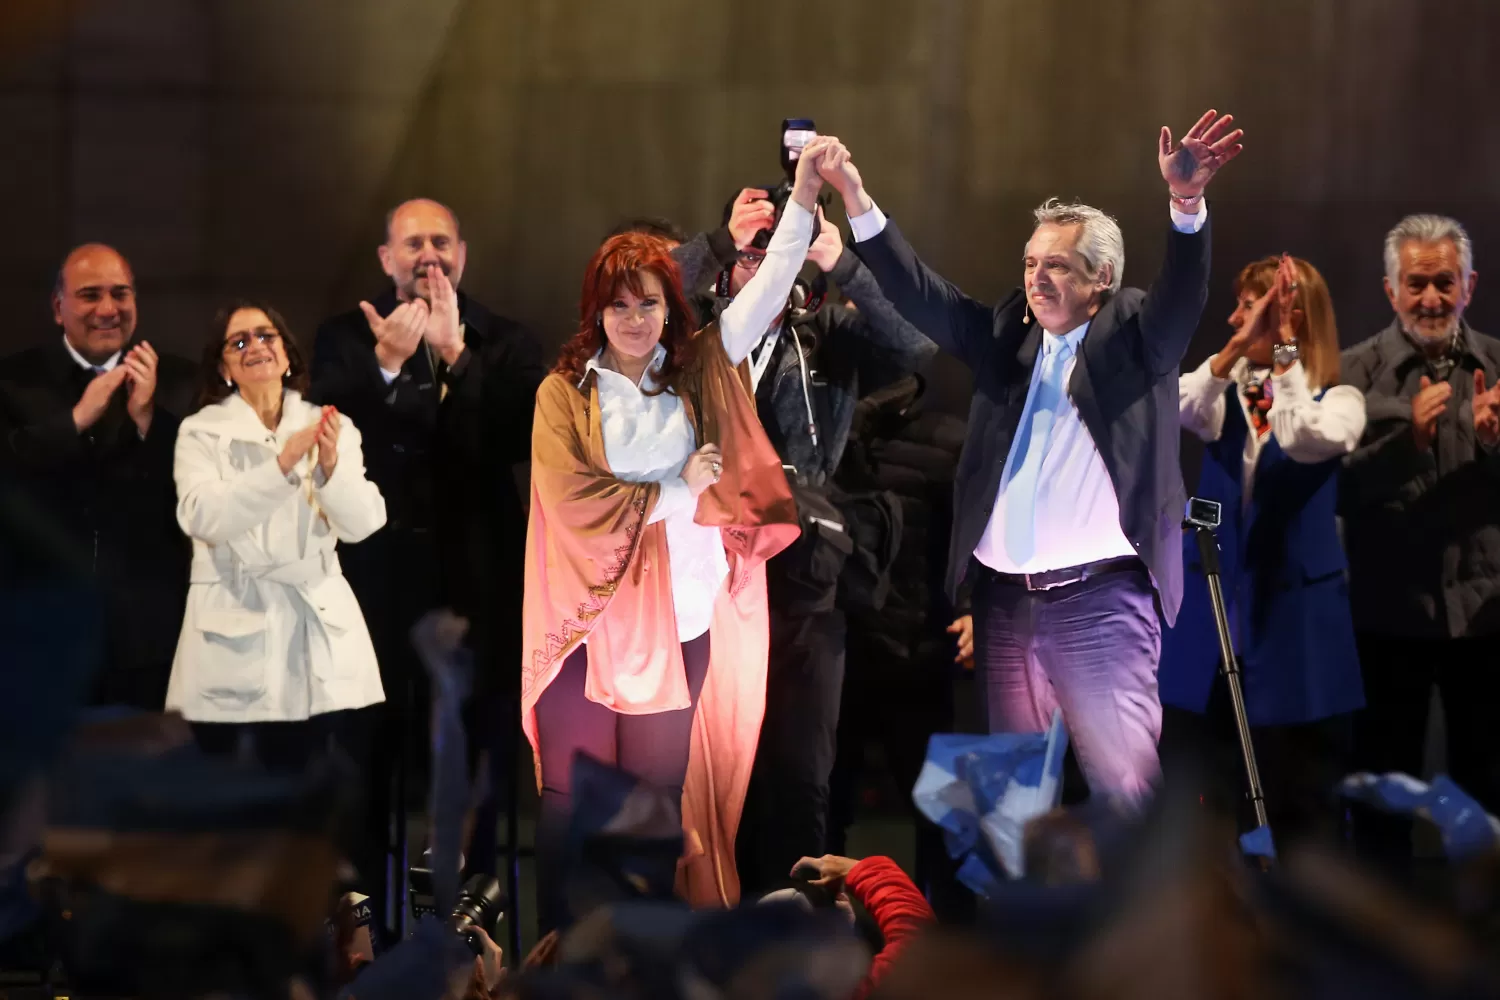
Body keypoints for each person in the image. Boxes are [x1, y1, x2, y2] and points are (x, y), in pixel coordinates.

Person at [829, 110, 1245, 806]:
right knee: (1015, 801)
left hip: (1101, 603)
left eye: (1057, 265)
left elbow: (1185, 291)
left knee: (1125, 793)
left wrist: (1186, 204)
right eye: (1030, 262)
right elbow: (921, 294)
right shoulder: (1007, 337)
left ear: (1101, 277)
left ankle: (1145, 918)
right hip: (1004, 607)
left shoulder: (1136, 336)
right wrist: (854, 199)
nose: (1037, 277)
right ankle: (1021, 918)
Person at [521, 136, 846, 932]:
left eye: (649, 302)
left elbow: (772, 284)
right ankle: (562, 963)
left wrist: (802, 194)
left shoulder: (699, 368)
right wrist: (677, 489)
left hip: (684, 621)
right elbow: (571, 501)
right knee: (571, 801)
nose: (635, 320)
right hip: (590, 626)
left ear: (673, 304)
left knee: (655, 805)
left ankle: (646, 965)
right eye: (619, 304)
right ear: (595, 309)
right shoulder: (566, 394)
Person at [671, 187, 936, 895]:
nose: (763, 262)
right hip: (704, 580)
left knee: (798, 774)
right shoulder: (689, 335)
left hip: (802, 584)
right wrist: (721, 240)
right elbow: (633, 293)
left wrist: (834, 256)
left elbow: (917, 347)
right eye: (752, 252)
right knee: (713, 771)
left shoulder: (827, 335)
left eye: (777, 252)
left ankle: (790, 941)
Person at [311, 198, 547, 934]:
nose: (429, 255)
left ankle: (467, 933)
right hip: (374, 586)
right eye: (413, 243)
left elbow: (516, 436)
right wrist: (386, 366)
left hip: (475, 585)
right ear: (386, 258)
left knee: (474, 762)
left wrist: (454, 357)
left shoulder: (505, 340)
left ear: (463, 253)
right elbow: (329, 434)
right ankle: (360, 931)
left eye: (441, 241)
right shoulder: (344, 337)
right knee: (363, 757)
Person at [1161, 254, 1366, 848]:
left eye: (1248, 308)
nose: (1234, 319)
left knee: (1300, 792)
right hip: (1218, 619)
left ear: (1291, 317)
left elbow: (1303, 436)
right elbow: (1173, 408)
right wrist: (1231, 354)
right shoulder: (1223, 394)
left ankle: (1302, 920)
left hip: (1295, 626)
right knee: (1209, 790)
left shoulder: (1340, 398)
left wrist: (1284, 355)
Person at [166, 301, 386, 780]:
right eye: (239, 342)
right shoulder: (200, 432)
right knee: (234, 793)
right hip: (232, 628)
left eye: (267, 337)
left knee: (318, 788)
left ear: (287, 357)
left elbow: (365, 523)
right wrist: (282, 466)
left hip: (319, 629)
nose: (255, 348)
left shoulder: (332, 424)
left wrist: (330, 472)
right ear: (223, 368)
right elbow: (204, 516)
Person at [1340, 213, 1500, 868]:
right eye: (1416, 283)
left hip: (1487, 624)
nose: (1430, 298)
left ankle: (1482, 945)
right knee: (1383, 801)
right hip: (1387, 620)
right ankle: (1379, 945)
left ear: (1469, 284)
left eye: (1444, 282)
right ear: (1389, 289)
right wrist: (1411, 445)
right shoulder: (1352, 373)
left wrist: (1492, 449)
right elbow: (1332, 493)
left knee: (1488, 796)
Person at [0, 243, 194, 710]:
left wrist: (149, 420)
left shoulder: (180, 383)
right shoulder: (11, 382)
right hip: (40, 629)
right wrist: (75, 420)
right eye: (89, 295)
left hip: (148, 635)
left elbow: (197, 495)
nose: (108, 309)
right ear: (57, 307)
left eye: (120, 294)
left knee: (144, 773)